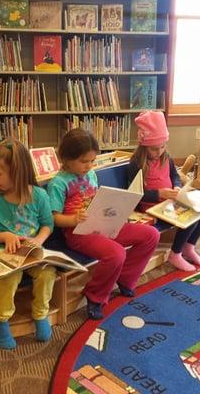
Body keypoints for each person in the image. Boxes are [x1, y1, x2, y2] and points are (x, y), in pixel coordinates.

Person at [47, 129, 160, 320]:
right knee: (116, 253)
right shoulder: (58, 183)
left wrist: (119, 211)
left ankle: (124, 277)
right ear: (66, 158)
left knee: (151, 235)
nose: (89, 166)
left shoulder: (91, 175)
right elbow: (53, 218)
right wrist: (73, 219)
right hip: (78, 232)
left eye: (92, 161)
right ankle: (95, 295)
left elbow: (99, 200)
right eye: (84, 161)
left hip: (104, 222)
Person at [0, 139, 55, 349]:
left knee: (48, 272)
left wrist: (38, 240)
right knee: (9, 276)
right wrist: (4, 236)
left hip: (31, 251)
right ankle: (0, 320)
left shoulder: (39, 195)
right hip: (3, 251)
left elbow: (48, 224)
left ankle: (40, 313)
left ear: (18, 171)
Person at [127, 111, 200, 272]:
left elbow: (175, 176)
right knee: (189, 216)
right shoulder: (136, 163)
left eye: (163, 147)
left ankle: (188, 247)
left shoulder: (166, 158)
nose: (159, 152)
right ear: (144, 146)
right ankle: (175, 254)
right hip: (151, 208)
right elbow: (135, 195)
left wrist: (177, 186)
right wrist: (159, 194)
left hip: (170, 201)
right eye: (154, 149)